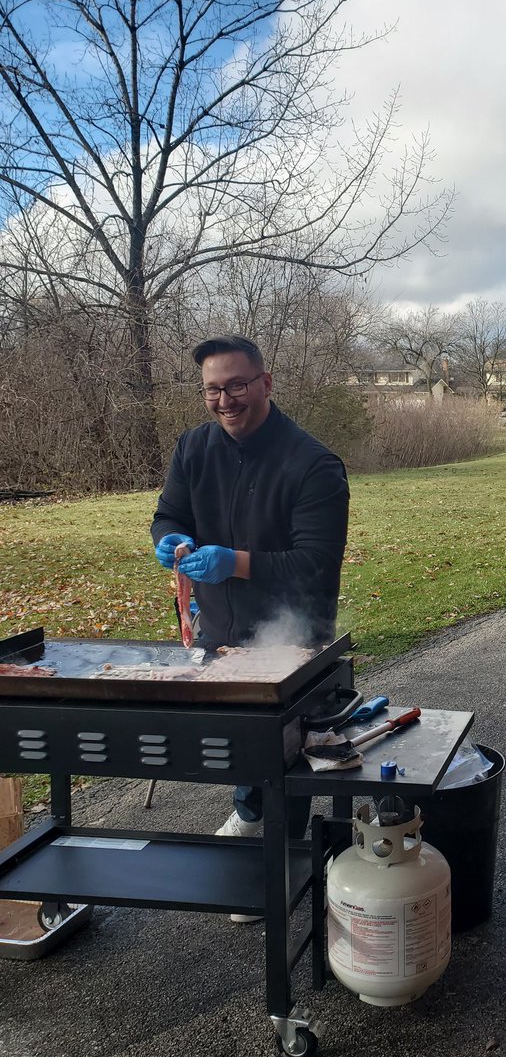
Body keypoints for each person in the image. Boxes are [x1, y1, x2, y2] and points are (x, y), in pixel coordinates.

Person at [151, 336, 349, 911]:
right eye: (213, 389)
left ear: (266, 382)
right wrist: (169, 537)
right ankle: (248, 814)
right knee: (240, 736)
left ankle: (283, 857)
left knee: (285, 750)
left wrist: (235, 563)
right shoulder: (194, 447)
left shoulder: (312, 463)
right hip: (217, 622)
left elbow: (316, 562)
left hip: (293, 634)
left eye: (237, 385)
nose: (225, 400)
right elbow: (169, 513)